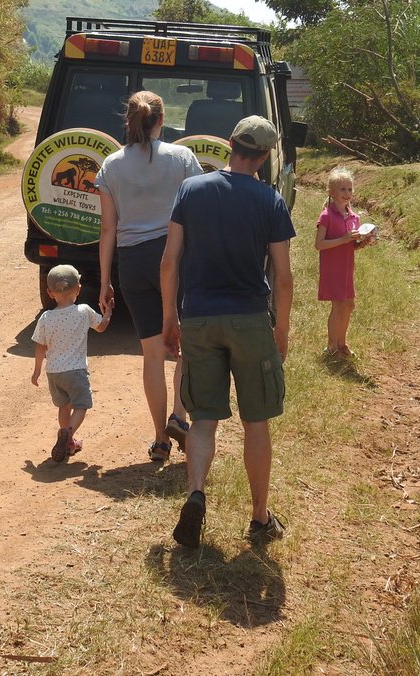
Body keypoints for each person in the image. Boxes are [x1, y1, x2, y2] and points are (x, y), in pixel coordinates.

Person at [161, 115, 295, 548]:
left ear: (231, 144)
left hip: (198, 317)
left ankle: (196, 492)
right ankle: (259, 518)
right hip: (250, 318)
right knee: (256, 422)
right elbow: (283, 275)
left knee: (203, 418)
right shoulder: (269, 200)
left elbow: (170, 261)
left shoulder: (191, 190)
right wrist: (283, 330)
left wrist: (170, 317)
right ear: (264, 156)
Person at [96, 91, 203, 463]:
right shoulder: (183, 158)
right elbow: (197, 216)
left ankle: (160, 440)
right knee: (187, 346)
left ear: (128, 121)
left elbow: (107, 230)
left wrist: (105, 280)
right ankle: (180, 414)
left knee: (152, 353)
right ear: (161, 121)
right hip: (175, 257)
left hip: (132, 262)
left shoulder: (110, 166)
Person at [31, 264, 112, 462]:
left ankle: (68, 438)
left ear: (50, 293)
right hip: (76, 371)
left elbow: (40, 346)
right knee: (81, 406)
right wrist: (108, 313)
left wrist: (36, 371)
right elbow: (101, 328)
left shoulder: (46, 318)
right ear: (78, 289)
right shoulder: (83, 311)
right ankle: (68, 435)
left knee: (64, 407)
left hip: (54, 373)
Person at [314, 166, 375, 358]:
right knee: (338, 305)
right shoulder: (326, 216)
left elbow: (350, 246)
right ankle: (331, 346)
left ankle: (342, 343)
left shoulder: (354, 217)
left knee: (349, 304)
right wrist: (343, 239)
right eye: (342, 189)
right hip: (332, 268)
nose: (347, 193)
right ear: (331, 192)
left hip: (346, 267)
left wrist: (362, 242)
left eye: (349, 189)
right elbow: (319, 245)